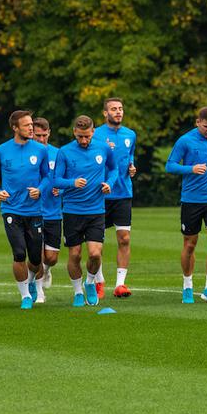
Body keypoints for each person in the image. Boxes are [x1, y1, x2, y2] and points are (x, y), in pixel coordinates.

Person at [165, 107, 207, 304]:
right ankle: (187, 285)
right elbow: (170, 165)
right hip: (191, 201)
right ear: (197, 122)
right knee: (190, 244)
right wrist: (191, 169)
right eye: (206, 127)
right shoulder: (185, 140)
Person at [0, 110, 50, 309]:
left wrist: (39, 190)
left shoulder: (40, 150)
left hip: (35, 211)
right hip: (11, 209)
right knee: (19, 253)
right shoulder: (1, 151)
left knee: (35, 258)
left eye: (31, 124)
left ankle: (30, 280)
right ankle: (25, 297)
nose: (31, 128)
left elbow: (47, 176)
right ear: (15, 127)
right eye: (26, 125)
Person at [53, 115, 118, 307]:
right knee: (74, 255)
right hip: (72, 210)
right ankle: (77, 291)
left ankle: (90, 282)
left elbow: (113, 169)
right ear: (74, 132)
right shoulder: (64, 152)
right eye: (80, 136)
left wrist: (110, 183)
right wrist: (71, 183)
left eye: (87, 136)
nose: (83, 140)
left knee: (95, 254)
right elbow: (55, 180)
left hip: (96, 210)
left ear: (93, 132)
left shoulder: (103, 148)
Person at [93, 97, 137, 298]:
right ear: (105, 113)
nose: (118, 112)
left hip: (123, 193)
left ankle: (120, 284)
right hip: (101, 194)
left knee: (124, 238)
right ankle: (98, 280)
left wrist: (132, 167)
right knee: (96, 242)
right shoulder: (96, 135)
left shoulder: (130, 134)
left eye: (120, 108)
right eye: (113, 109)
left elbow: (130, 157)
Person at [32, 117, 61, 304]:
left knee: (51, 258)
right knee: (37, 255)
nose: (41, 139)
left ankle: (47, 270)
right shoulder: (28, 154)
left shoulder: (58, 154)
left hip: (54, 212)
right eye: (37, 135)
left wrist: (63, 188)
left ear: (49, 133)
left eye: (44, 135)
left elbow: (67, 177)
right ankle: (39, 291)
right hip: (33, 211)